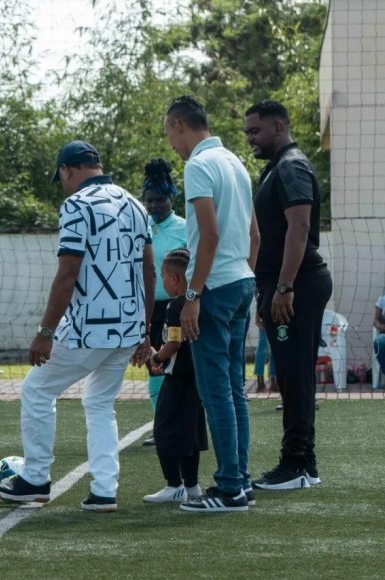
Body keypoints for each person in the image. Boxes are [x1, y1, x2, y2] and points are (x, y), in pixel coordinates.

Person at [0, 140, 155, 513]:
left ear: (67, 169)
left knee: (37, 390)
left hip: (88, 329)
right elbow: (148, 270)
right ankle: (104, 491)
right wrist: (145, 331)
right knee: (99, 403)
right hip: (127, 329)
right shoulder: (134, 204)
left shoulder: (77, 206)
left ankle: (34, 479)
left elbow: (67, 275)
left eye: (59, 177)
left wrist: (45, 333)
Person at [163, 96, 259, 513]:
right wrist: (245, 277)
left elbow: (210, 234)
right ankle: (241, 480)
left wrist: (193, 295)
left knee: (215, 391)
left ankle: (230, 488)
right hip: (241, 281)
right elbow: (254, 235)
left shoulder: (199, 166)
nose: (171, 144)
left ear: (181, 125)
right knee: (234, 389)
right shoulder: (236, 163)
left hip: (216, 288)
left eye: (170, 134)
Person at [244, 99, 333, 490]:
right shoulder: (274, 168)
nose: (250, 139)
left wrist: (283, 288)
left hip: (298, 285)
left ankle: (297, 464)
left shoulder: (291, 165)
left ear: (278, 127)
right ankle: (303, 463)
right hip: (281, 287)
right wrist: (266, 293)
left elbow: (299, 229)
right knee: (291, 375)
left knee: (295, 377)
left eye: (255, 131)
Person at [144, 248, 209, 504]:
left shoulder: (176, 307)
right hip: (198, 377)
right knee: (191, 431)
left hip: (178, 377)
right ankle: (192, 485)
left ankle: (174, 484)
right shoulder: (198, 302)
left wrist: (156, 358)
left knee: (164, 428)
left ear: (173, 278)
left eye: (162, 276)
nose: (162, 281)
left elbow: (173, 344)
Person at [141, 158, 186, 446]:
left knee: (174, 365)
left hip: (177, 309)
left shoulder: (184, 228)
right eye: (149, 201)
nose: (155, 206)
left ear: (171, 199)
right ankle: (163, 425)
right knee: (153, 364)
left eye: (160, 200)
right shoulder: (139, 226)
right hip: (148, 309)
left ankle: (177, 424)